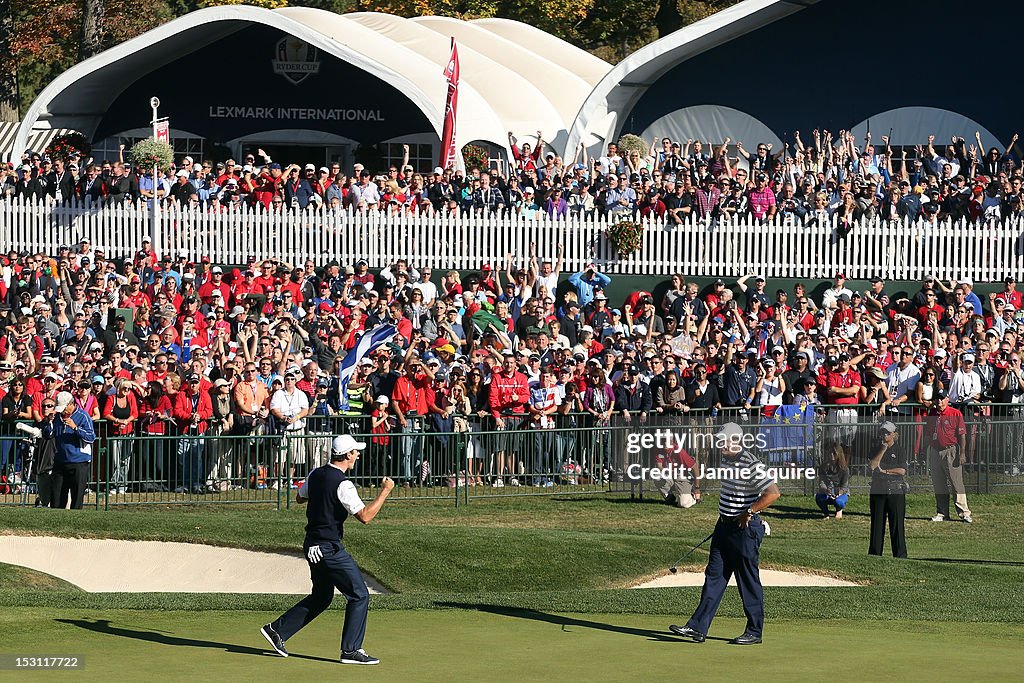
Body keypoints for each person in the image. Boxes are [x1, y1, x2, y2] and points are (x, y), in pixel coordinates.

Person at [260, 434, 394, 665]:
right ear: (347, 455)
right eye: (355, 452)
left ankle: (277, 631)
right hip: (328, 547)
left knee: (322, 596)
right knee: (359, 594)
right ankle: (351, 651)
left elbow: (300, 498)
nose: (358, 455)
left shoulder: (316, 473)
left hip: (312, 543)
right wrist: (385, 491)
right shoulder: (343, 484)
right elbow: (365, 517)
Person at [670, 422, 781, 645]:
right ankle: (697, 627)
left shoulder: (751, 463)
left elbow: (773, 493)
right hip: (723, 528)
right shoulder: (725, 459)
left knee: (747, 580)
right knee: (714, 577)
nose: (720, 445)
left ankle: (754, 631)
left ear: (736, 441)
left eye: (723, 441)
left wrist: (749, 511)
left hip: (744, 530)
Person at [42, 390, 96, 509]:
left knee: (77, 497)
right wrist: (48, 423)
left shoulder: (83, 416)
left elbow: (91, 437)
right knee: (56, 496)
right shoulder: (57, 418)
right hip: (60, 460)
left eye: (64, 408)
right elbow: (47, 435)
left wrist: (76, 428)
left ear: (71, 404)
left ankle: (75, 523)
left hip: (79, 462)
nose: (62, 412)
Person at [926, 388, 973, 523]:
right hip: (935, 450)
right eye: (937, 398)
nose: (939, 401)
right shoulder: (933, 413)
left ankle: (964, 512)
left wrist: (963, 453)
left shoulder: (955, 413)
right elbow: (928, 432)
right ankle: (942, 512)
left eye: (942, 398)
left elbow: (962, 435)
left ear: (947, 399)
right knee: (939, 483)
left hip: (951, 450)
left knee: (956, 483)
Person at [867, 422, 908, 558]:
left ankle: (900, 555)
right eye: (883, 432)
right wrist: (882, 450)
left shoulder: (900, 450)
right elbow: (872, 466)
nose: (885, 435)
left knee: (897, 525)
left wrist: (885, 471)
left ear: (894, 434)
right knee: (877, 525)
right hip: (878, 489)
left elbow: (901, 471)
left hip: (895, 490)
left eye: (888, 433)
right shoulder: (875, 449)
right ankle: (874, 554)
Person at [815, 442, 849, 519]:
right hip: (827, 492)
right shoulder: (823, 467)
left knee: (839, 502)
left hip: (840, 493)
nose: (832, 455)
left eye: (834, 453)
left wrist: (838, 494)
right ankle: (826, 513)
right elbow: (822, 482)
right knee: (819, 497)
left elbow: (844, 486)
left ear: (839, 454)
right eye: (830, 453)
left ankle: (839, 510)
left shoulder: (844, 469)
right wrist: (825, 490)